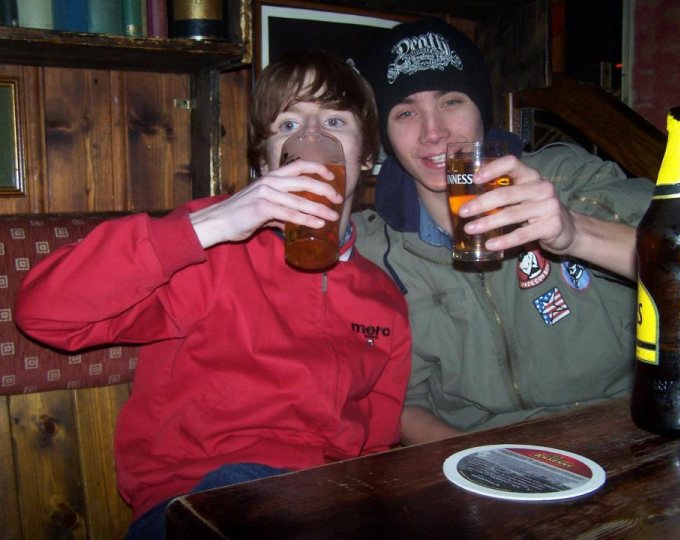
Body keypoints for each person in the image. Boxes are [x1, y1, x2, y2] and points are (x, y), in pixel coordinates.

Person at [15, 50, 411, 539]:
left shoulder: (384, 299)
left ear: (366, 155)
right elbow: (44, 314)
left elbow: (375, 448)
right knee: (244, 488)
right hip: (200, 498)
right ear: (265, 157)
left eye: (333, 120)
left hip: (324, 503)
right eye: (288, 124)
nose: (313, 140)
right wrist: (211, 224)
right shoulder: (207, 248)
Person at [353, 19, 655, 445]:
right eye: (405, 111)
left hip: (622, 428)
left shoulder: (566, 178)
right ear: (386, 132)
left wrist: (575, 233)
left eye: (451, 101)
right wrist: (484, 463)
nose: (433, 132)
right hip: (477, 450)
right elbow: (404, 402)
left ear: (483, 111)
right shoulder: (374, 249)